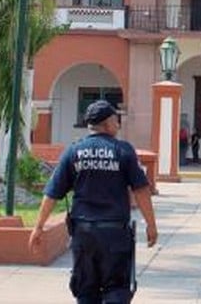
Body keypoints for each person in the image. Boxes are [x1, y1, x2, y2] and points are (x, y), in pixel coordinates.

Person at [29, 99, 158, 304]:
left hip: (84, 234)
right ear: (107, 124)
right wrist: (151, 224)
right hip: (115, 234)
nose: (118, 124)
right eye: (116, 120)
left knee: (86, 291)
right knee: (116, 289)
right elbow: (141, 190)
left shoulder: (74, 152)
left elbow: (53, 193)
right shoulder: (123, 151)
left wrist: (38, 227)